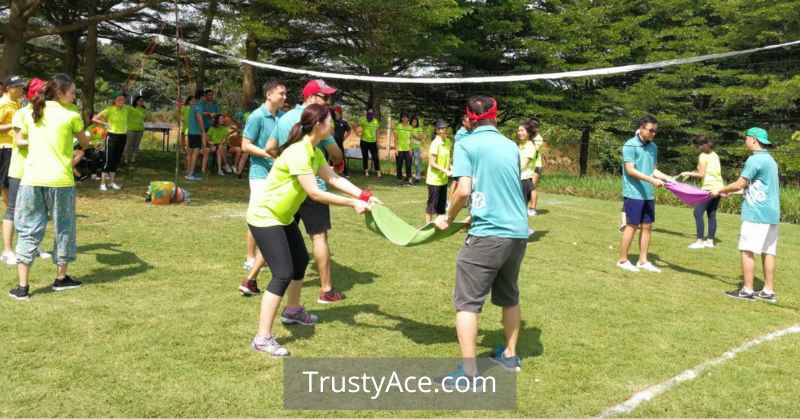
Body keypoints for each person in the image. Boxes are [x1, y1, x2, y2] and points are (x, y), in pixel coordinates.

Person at [249, 104, 378, 356]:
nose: (334, 124)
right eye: (330, 120)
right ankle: (262, 337)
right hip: (265, 217)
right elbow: (315, 192)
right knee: (283, 273)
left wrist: (364, 195)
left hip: (282, 218)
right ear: (319, 124)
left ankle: (293, 311)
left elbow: (333, 178)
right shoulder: (298, 152)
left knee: (298, 264)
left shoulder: (314, 151)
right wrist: (353, 203)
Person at [434, 96, 529, 379]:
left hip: (489, 235)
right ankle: (510, 356)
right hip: (517, 233)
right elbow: (501, 186)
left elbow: (463, 190)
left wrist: (447, 218)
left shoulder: (466, 144)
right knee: (509, 296)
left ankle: (469, 373)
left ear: (468, 118)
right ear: (495, 117)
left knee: (467, 304)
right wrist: (476, 213)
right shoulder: (511, 145)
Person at [9, 74, 90, 300]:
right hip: (61, 182)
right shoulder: (72, 115)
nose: (74, 96)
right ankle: (61, 279)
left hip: (31, 180)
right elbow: (84, 143)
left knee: (27, 229)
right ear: (61, 93)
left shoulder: (31, 111)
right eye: (72, 92)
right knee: (64, 228)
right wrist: (84, 141)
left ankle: (22, 287)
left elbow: (22, 139)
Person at [265, 79, 346, 304]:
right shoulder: (317, 121)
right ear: (311, 98)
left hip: (288, 191)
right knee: (318, 237)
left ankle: (250, 279)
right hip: (311, 188)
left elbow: (270, 148)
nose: (327, 103)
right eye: (324, 98)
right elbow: (336, 154)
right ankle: (326, 290)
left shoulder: (284, 118)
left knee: (279, 234)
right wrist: (336, 163)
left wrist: (284, 165)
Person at [713, 128, 780, 303]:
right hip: (771, 214)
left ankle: (747, 290)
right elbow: (758, 186)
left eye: (747, 138)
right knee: (768, 252)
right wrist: (733, 193)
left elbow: (740, 183)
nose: (745, 141)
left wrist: (720, 189)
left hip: (756, 214)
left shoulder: (754, 159)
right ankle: (768, 291)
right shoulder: (770, 160)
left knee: (747, 250)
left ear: (754, 140)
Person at [239, 80, 287, 294]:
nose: (284, 97)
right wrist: (267, 154)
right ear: (269, 95)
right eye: (281, 94)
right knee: (256, 215)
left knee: (271, 216)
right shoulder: (257, 116)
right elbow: (245, 145)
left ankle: (263, 255)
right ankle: (250, 257)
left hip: (276, 175)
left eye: (285, 94)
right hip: (259, 174)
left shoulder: (281, 117)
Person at [617, 115, 674, 273]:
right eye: (651, 130)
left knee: (647, 227)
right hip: (634, 193)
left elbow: (653, 170)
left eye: (655, 131)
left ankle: (643, 261)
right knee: (632, 226)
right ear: (642, 128)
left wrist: (669, 179)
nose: (653, 134)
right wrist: (651, 180)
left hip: (648, 194)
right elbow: (630, 170)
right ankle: (622, 260)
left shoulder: (653, 147)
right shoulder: (630, 145)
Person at [1, 75, 28, 265]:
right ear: (9, 88)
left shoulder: (17, 103)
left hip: (15, 150)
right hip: (5, 149)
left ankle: (13, 217)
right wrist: (15, 124)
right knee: (8, 190)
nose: (21, 90)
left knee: (14, 194)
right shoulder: (4, 103)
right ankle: (7, 246)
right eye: (17, 87)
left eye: (21, 87)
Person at [679, 135, 724, 249]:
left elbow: (701, 174)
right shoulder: (715, 155)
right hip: (718, 188)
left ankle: (699, 241)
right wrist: (694, 172)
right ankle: (710, 241)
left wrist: (687, 173)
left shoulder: (703, 156)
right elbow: (708, 171)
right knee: (711, 214)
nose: (697, 148)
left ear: (701, 145)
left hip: (709, 188)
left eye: (697, 146)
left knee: (697, 212)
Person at [92, 91, 129, 191]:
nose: (121, 101)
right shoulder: (109, 109)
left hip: (122, 136)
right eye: (119, 99)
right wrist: (104, 124)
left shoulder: (126, 109)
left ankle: (112, 182)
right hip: (111, 136)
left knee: (116, 160)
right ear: (115, 101)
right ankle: (103, 183)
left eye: (123, 99)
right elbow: (94, 119)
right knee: (108, 160)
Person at [425, 120, 452, 223]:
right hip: (434, 180)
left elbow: (447, 159)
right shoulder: (435, 144)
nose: (444, 130)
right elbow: (432, 163)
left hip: (443, 180)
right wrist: (445, 170)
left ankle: (439, 224)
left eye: (445, 128)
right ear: (437, 131)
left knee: (441, 206)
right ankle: (427, 225)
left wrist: (451, 167)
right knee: (432, 204)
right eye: (441, 128)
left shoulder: (448, 142)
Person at [517, 119, 538, 229]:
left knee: (519, 208)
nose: (519, 133)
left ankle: (524, 231)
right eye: (518, 130)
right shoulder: (521, 145)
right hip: (518, 179)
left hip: (524, 181)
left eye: (522, 130)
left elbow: (523, 165)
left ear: (529, 133)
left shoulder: (530, 146)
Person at [185, 91, 206, 181]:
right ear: (202, 97)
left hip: (190, 133)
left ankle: (188, 171)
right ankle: (191, 174)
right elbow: (199, 118)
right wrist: (203, 131)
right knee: (195, 154)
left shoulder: (191, 107)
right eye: (204, 96)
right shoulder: (198, 106)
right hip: (196, 133)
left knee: (189, 154)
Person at [124, 95, 147, 165]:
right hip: (131, 129)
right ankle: (126, 158)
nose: (142, 102)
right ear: (136, 101)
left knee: (136, 145)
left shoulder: (144, 109)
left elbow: (144, 119)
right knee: (128, 144)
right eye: (140, 101)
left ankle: (133, 158)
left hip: (140, 130)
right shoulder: (130, 108)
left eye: (143, 101)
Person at [529, 120, 545, 216]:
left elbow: (534, 151)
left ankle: (533, 208)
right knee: (525, 187)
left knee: (532, 187)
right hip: (528, 166)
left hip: (535, 165)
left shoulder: (538, 138)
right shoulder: (530, 137)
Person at [359, 108, 381, 177]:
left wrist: (377, 142)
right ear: (367, 113)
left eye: (371, 113)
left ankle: (378, 171)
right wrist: (358, 133)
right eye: (369, 113)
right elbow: (356, 126)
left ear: (373, 114)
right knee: (365, 157)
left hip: (373, 142)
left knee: (375, 157)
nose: (370, 115)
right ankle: (366, 171)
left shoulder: (375, 121)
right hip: (364, 141)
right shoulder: (363, 119)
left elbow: (377, 131)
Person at [393, 112, 414, 184]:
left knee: (408, 165)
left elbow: (411, 139)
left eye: (406, 117)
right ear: (401, 119)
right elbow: (395, 139)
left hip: (408, 149)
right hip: (399, 149)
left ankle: (409, 178)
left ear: (408, 119)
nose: (405, 119)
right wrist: (396, 149)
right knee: (399, 165)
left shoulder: (410, 127)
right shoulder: (398, 126)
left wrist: (411, 149)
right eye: (403, 117)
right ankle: (399, 178)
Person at [331, 106, 351, 176]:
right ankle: (332, 172)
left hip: (340, 142)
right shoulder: (332, 120)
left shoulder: (344, 122)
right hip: (332, 142)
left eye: (336, 111)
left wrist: (344, 138)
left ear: (339, 112)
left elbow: (349, 131)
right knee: (332, 156)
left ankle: (345, 172)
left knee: (341, 157)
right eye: (334, 111)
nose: (335, 113)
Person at [410, 115, 424, 183]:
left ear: (417, 122)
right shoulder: (409, 128)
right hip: (409, 148)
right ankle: (411, 176)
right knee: (410, 162)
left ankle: (418, 177)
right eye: (413, 122)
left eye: (415, 122)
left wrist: (413, 135)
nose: (414, 123)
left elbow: (420, 138)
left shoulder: (419, 129)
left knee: (417, 163)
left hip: (416, 148)